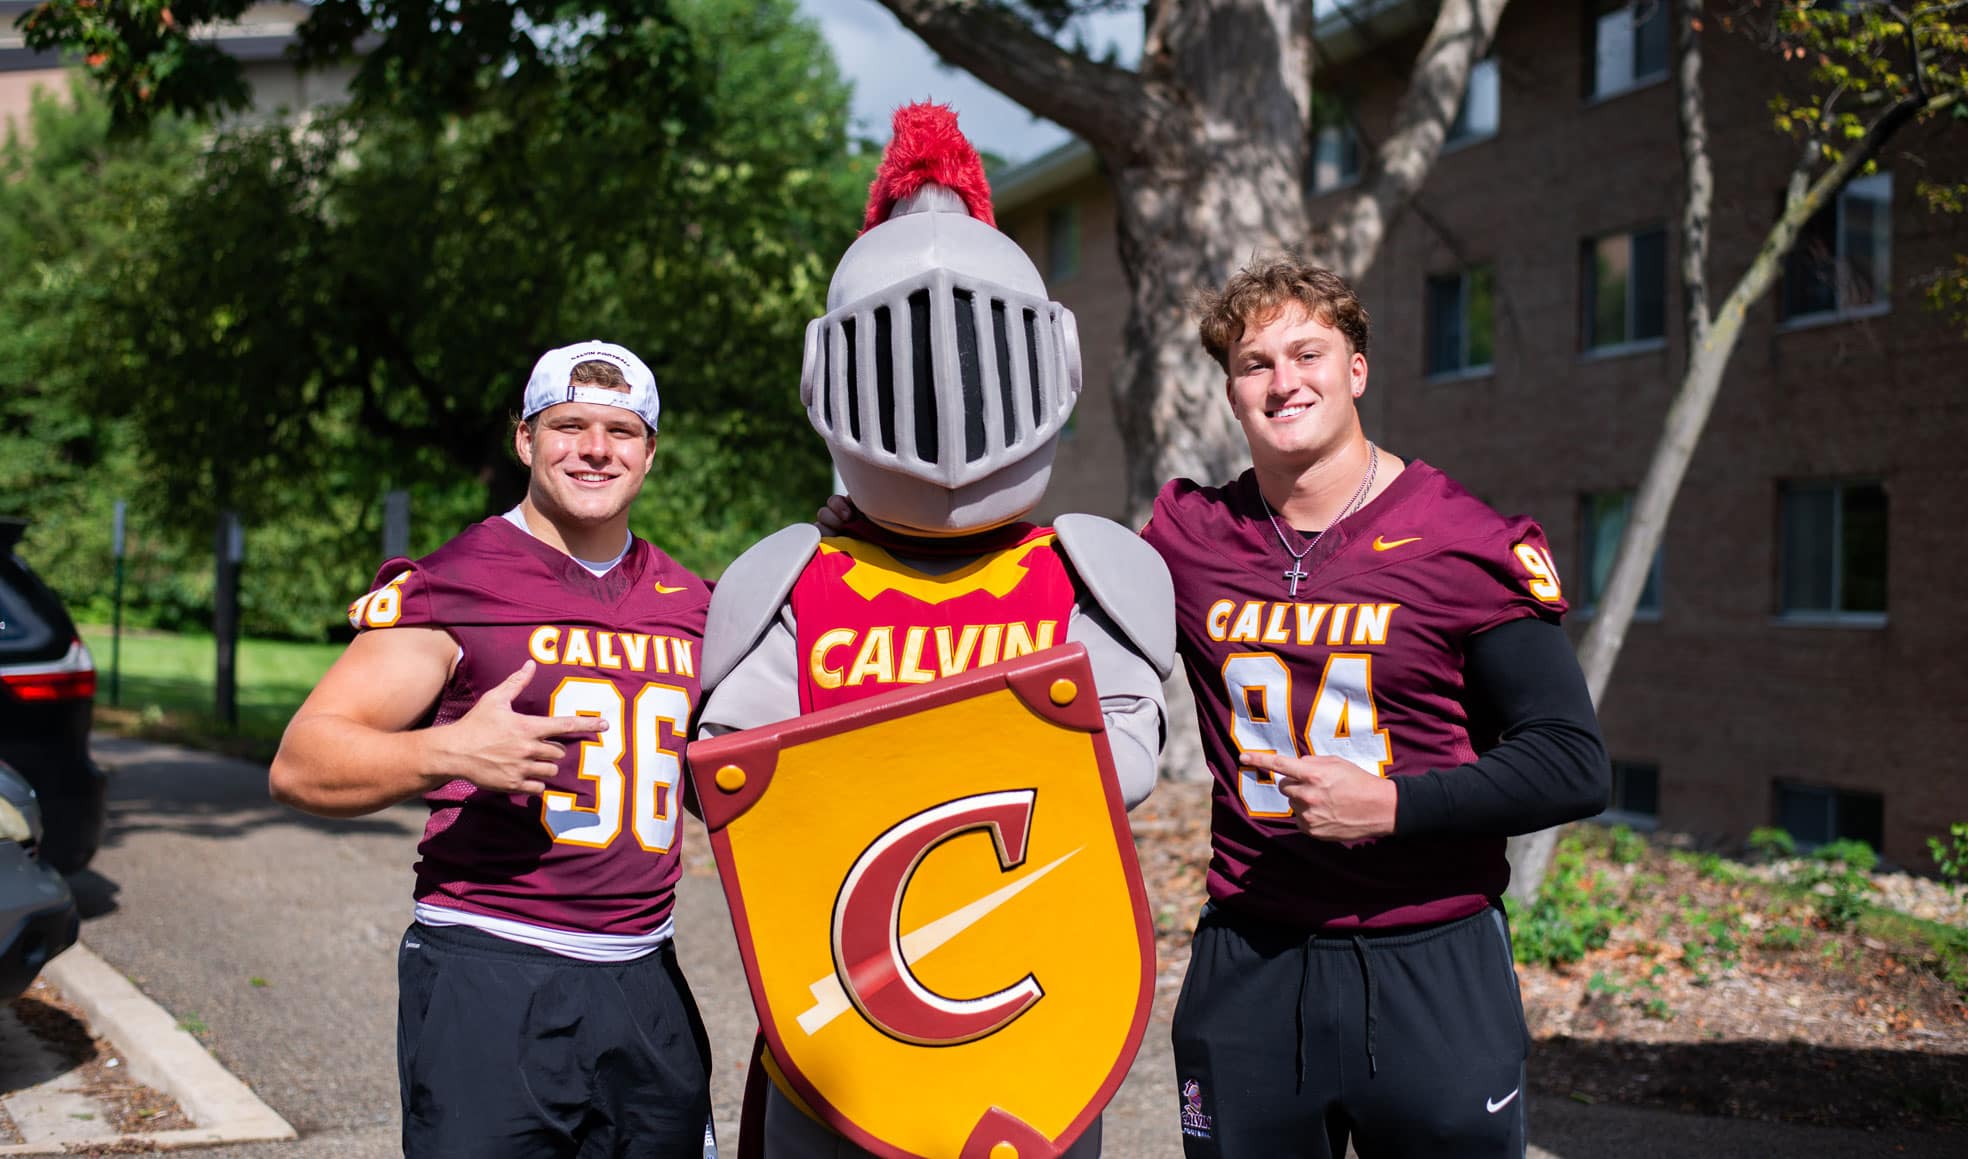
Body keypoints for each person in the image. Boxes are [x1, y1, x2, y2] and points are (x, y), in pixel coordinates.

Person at [698, 103, 1174, 1159]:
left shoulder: (1093, 573)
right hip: (841, 1063)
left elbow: (1122, 767)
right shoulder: (783, 582)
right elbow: (739, 794)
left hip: (1036, 1051)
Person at [1143, 256, 1610, 1159]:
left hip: (1429, 954)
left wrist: (1392, 804)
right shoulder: (1188, 534)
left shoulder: (1463, 538)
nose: (1284, 382)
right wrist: (886, 521)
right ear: (1232, 393)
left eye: (1307, 353)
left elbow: (1571, 758)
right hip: (1251, 956)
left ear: (1356, 369)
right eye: (1255, 363)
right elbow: (1036, 586)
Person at [268, 341, 715, 1159]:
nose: (594, 448)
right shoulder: (457, 580)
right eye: (568, 424)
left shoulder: (691, 600)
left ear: (650, 451)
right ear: (525, 439)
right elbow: (302, 759)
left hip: (645, 975)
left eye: (620, 430)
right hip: (493, 970)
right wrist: (450, 751)